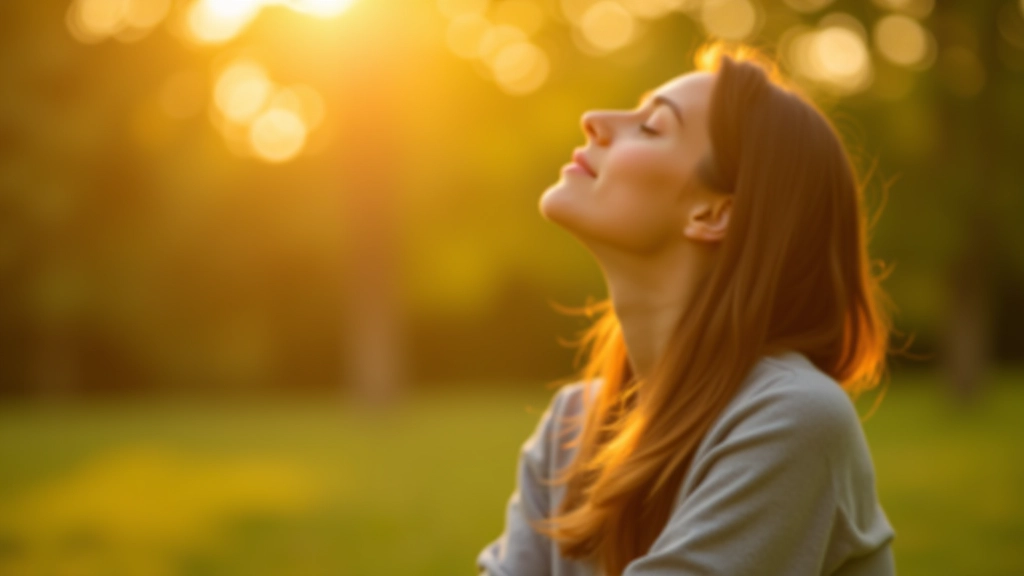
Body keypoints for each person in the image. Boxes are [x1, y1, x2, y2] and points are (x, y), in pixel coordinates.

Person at [476, 42, 898, 576]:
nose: (594, 121)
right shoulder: (571, 424)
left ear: (714, 213)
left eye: (651, 126)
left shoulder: (793, 418)